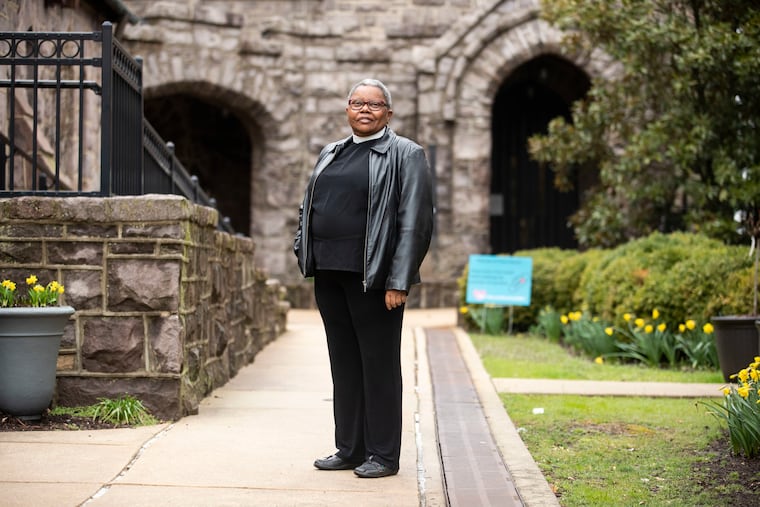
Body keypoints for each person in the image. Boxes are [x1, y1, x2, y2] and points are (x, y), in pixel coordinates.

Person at [294, 78, 434, 478]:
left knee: (379, 366)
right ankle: (350, 448)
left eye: (374, 104)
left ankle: (384, 455)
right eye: (358, 103)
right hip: (329, 275)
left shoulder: (406, 154)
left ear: (388, 113)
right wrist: (301, 246)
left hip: (374, 280)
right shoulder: (331, 152)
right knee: (344, 364)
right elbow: (309, 205)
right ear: (347, 109)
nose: (365, 110)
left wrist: (399, 279)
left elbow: (415, 224)